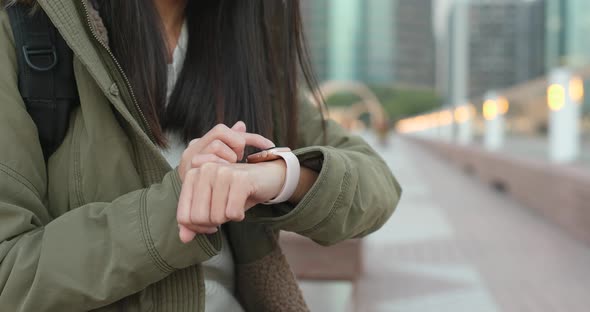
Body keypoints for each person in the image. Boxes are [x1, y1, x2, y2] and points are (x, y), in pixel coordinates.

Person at [0, 0, 402, 311]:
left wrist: (275, 175)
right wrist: (176, 205)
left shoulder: (243, 59)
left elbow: (378, 185)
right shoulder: (27, 32)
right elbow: (9, 276)